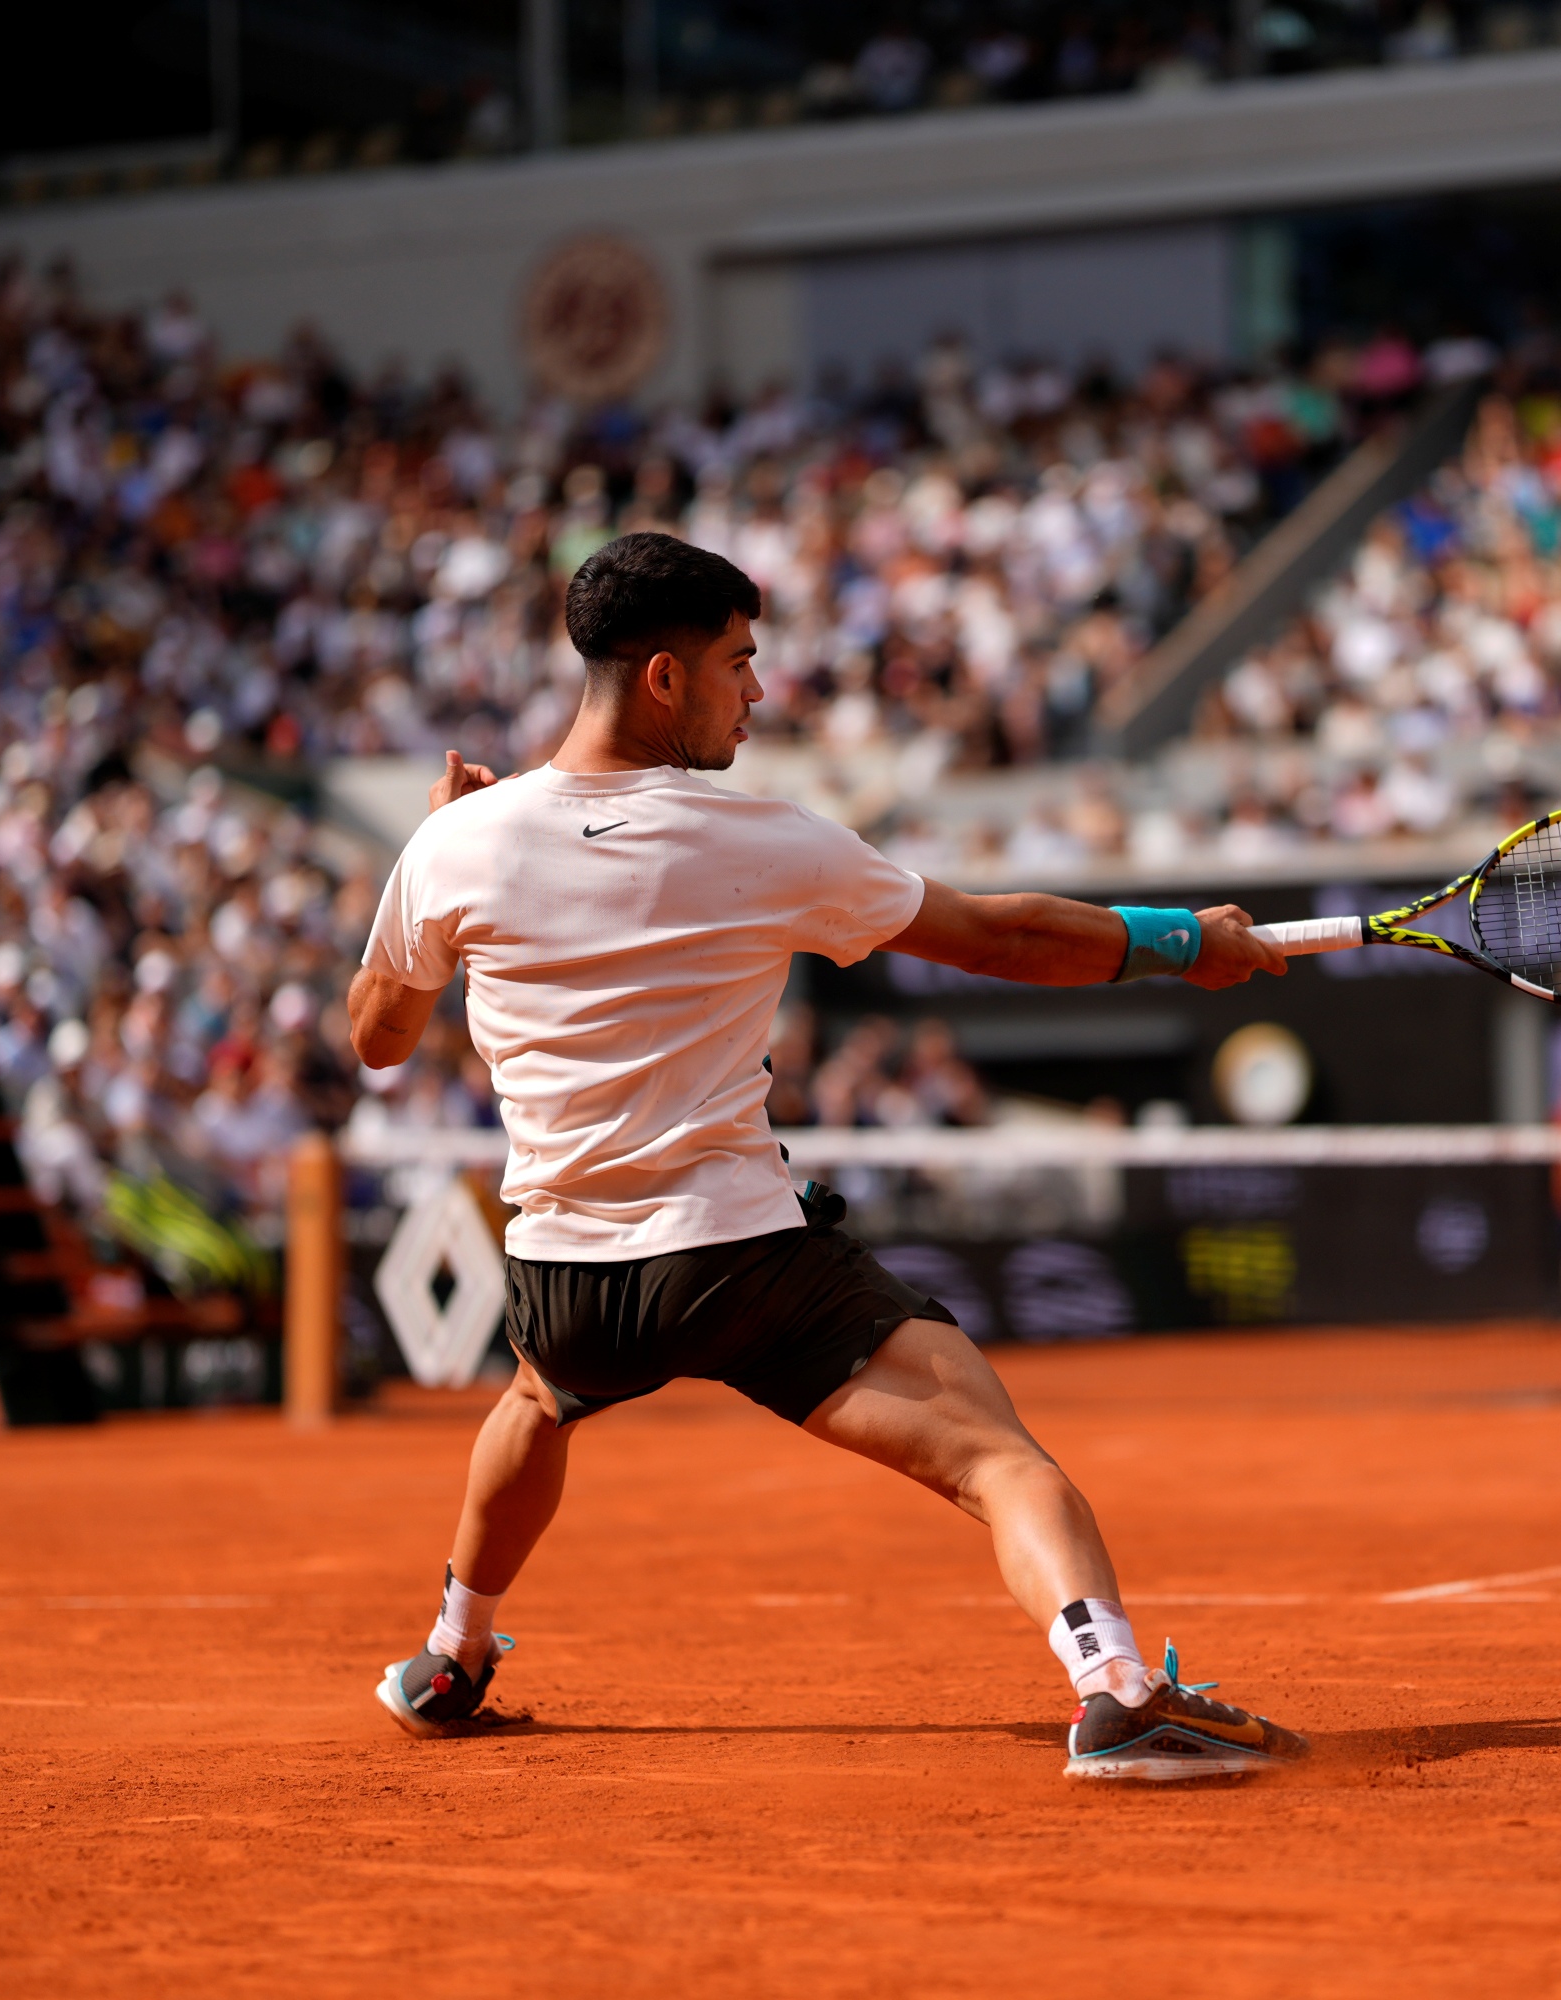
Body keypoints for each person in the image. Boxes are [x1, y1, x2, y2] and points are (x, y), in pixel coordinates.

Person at [347, 533, 1308, 1780]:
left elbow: (377, 1034)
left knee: (541, 1394)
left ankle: (449, 1656)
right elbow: (1001, 938)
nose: (756, 691)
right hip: (740, 1265)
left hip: (566, 1278)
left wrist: (432, 851)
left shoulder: (455, 845)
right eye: (738, 664)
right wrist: (1186, 940)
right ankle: (1117, 1683)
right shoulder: (761, 840)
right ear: (660, 678)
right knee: (996, 1453)